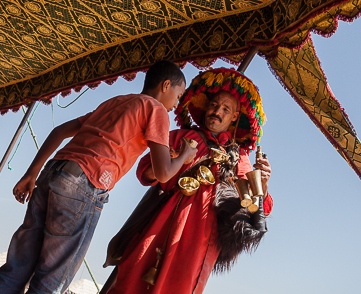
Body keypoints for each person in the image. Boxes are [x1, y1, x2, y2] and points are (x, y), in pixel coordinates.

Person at [0, 60, 198, 294]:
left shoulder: (116, 101)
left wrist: (31, 173)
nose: (176, 105)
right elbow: (163, 172)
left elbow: (59, 131)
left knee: (18, 265)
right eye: (179, 96)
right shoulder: (156, 109)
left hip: (52, 172)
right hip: (84, 183)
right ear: (166, 85)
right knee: (51, 279)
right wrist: (185, 155)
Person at [102, 68, 273, 294]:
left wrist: (263, 183)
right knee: (133, 277)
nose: (217, 112)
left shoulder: (238, 156)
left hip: (202, 237)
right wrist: (174, 161)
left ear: (234, 117)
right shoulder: (181, 135)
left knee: (179, 286)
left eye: (225, 109)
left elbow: (257, 205)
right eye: (214, 105)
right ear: (205, 106)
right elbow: (145, 172)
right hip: (160, 221)